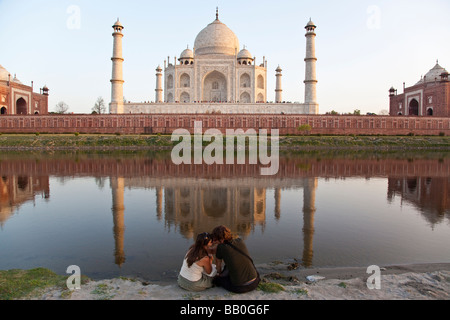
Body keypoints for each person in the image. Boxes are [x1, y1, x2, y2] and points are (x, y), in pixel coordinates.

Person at [211, 225, 260, 294]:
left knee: (217, 280)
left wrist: (219, 273)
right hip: (255, 282)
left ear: (221, 239)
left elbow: (218, 265)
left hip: (240, 287)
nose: (214, 240)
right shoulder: (240, 240)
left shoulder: (221, 247)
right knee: (229, 266)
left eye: (215, 239)